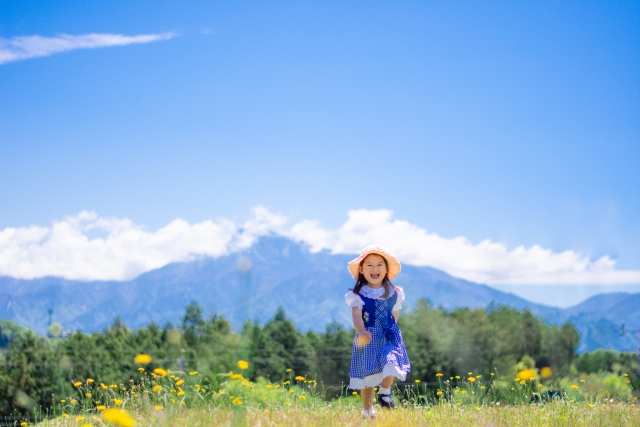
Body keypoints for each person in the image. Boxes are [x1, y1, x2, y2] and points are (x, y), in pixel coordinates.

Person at [345, 245, 411, 418]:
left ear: (386, 269)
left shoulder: (394, 293)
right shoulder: (358, 294)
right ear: (361, 270)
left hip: (388, 335)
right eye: (369, 265)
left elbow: (394, 312)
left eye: (379, 264)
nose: (374, 269)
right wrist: (361, 331)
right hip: (368, 337)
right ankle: (367, 411)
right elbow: (356, 313)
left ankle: (385, 392)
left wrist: (392, 328)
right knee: (369, 377)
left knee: (392, 361)